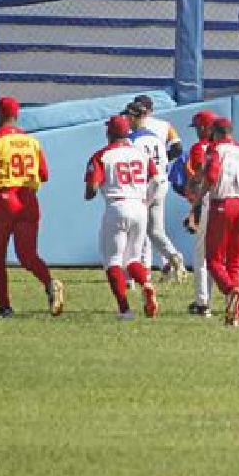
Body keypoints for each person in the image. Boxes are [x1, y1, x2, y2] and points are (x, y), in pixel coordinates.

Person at [0, 96, 65, 318]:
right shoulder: (32, 142)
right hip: (28, 199)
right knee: (28, 255)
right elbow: (44, 175)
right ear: (17, 115)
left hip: (3, 201)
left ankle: (5, 307)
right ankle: (49, 282)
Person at [84, 115, 160, 320]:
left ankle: (125, 310)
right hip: (139, 206)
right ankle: (146, 284)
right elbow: (157, 180)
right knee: (133, 259)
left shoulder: (102, 155)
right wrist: (147, 199)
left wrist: (89, 191)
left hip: (117, 205)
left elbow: (91, 188)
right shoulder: (140, 154)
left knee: (113, 261)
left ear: (109, 133)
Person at [195, 117, 239, 327]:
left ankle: (230, 291)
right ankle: (235, 315)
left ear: (214, 133)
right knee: (236, 263)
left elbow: (212, 175)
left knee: (214, 260)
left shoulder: (215, 149)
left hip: (222, 204)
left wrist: (198, 200)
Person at [126, 101, 187, 283]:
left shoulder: (132, 139)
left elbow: (134, 166)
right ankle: (173, 255)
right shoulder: (156, 136)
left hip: (145, 185)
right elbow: (175, 151)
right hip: (161, 182)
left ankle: (140, 272)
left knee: (137, 230)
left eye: (128, 116)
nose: (126, 120)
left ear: (134, 117)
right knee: (155, 230)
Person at [184, 109, 216, 316]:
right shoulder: (230, 148)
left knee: (201, 254)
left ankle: (202, 301)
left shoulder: (200, 147)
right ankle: (236, 296)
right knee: (220, 256)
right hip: (231, 202)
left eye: (197, 127)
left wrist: (193, 209)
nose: (196, 131)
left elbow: (198, 180)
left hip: (206, 202)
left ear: (205, 128)